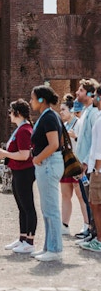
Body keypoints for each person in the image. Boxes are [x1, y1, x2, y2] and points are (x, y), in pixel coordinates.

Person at [0, 99, 36, 254]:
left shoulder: (24, 130)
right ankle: (22, 238)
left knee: (27, 206)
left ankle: (30, 241)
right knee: (21, 207)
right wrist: (4, 152)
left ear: (17, 113)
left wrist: (5, 153)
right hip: (18, 170)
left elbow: (25, 155)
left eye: (10, 112)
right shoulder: (20, 129)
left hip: (25, 171)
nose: (9, 115)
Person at [29, 85, 64, 261]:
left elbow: (54, 144)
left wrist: (37, 158)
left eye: (32, 98)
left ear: (41, 100)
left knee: (51, 209)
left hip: (49, 164)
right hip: (47, 164)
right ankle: (48, 247)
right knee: (46, 208)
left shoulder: (49, 117)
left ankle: (55, 249)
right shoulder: (48, 116)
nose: (30, 101)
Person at [58, 95, 89, 237]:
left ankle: (87, 224)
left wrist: (75, 136)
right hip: (66, 164)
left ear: (71, 110)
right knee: (65, 195)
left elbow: (84, 142)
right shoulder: (63, 126)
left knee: (81, 195)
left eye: (63, 109)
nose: (61, 112)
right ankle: (64, 225)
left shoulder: (79, 123)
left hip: (77, 163)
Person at [74, 78, 100, 242]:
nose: (77, 93)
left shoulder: (95, 114)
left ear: (90, 94)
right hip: (84, 164)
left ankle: (95, 234)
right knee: (88, 199)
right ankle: (91, 231)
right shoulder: (86, 112)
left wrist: (85, 163)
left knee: (94, 201)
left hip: (89, 166)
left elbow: (94, 143)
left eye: (81, 91)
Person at [80, 85, 101, 252]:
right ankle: (95, 235)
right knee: (92, 202)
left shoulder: (97, 116)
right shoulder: (94, 114)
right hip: (92, 165)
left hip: (96, 168)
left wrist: (95, 168)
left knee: (95, 203)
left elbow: (98, 146)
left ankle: (98, 238)